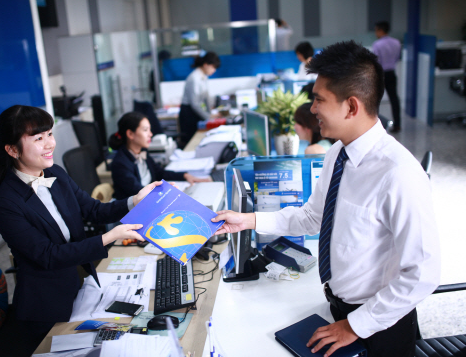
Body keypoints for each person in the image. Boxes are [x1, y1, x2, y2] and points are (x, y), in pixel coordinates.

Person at [213, 41, 440, 357]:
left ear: (351, 106)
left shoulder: (399, 173)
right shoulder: (338, 153)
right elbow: (311, 217)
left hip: (380, 325)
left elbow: (422, 274)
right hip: (337, 309)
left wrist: (355, 325)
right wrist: (249, 220)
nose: (313, 108)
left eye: (319, 100)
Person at [0, 105, 158, 352]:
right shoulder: (5, 204)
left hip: (80, 286)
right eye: (38, 138)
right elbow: (48, 255)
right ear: (12, 149)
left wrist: (134, 201)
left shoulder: (55, 173)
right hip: (46, 306)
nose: (49, 144)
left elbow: (94, 210)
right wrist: (108, 237)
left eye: (49, 134)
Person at [110, 111, 209, 200]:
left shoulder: (142, 152)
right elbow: (138, 192)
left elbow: (159, 173)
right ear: (130, 134)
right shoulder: (120, 163)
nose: (151, 134)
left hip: (150, 201)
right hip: (134, 212)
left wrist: (185, 175)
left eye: (150, 130)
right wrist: (169, 194)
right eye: (145, 130)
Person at [178, 51, 221, 147]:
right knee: (192, 144)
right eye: (213, 67)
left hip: (195, 112)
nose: (214, 70)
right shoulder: (195, 78)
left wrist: (210, 114)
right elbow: (195, 104)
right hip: (188, 114)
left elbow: (206, 97)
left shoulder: (203, 76)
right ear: (206, 65)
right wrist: (208, 117)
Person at [372, 21, 402, 132]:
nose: (375, 33)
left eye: (376, 30)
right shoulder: (396, 43)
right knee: (394, 99)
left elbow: (375, 61)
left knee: (375, 101)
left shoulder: (377, 44)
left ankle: (375, 126)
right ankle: (397, 125)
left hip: (381, 74)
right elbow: (397, 58)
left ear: (380, 30)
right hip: (391, 73)